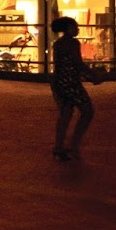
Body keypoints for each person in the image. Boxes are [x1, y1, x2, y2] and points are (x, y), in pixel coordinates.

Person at [49, 16, 100, 161]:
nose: (77, 29)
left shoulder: (58, 44)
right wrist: (93, 75)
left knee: (65, 114)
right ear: (68, 28)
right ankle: (73, 144)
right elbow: (78, 64)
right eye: (75, 27)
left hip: (60, 83)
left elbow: (60, 66)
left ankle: (59, 147)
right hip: (71, 83)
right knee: (87, 111)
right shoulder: (73, 43)